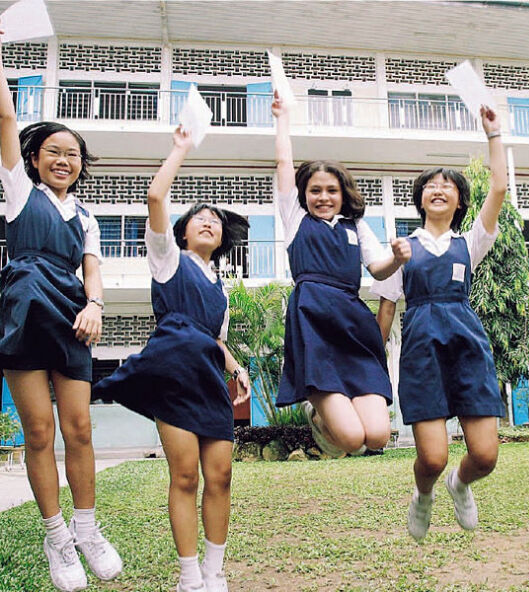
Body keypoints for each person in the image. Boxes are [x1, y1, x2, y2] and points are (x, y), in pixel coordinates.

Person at [92, 127, 250, 592]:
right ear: (182, 231)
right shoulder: (167, 258)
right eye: (199, 217)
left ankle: (213, 572)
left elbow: (217, 343)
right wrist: (181, 146)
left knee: (219, 476)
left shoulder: (220, 288)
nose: (208, 221)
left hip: (208, 381)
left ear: (222, 238)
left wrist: (237, 369)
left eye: (215, 220)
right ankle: (188, 577)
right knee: (184, 475)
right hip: (173, 377)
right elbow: (155, 196)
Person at [0, 37, 121, 592]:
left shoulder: (88, 216)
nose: (64, 159)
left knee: (79, 428)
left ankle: (87, 529)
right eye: (54, 150)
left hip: (73, 314)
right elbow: (5, 112)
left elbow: (92, 270)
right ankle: (56, 537)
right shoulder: (19, 195)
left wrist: (95, 304)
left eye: (73, 153)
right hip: (24, 310)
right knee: (40, 431)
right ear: (32, 158)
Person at [373, 105, 507, 541]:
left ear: (460, 201)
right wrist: (373, 370)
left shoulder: (470, 243)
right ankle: (424, 493)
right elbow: (388, 310)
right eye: (430, 185)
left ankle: (460, 484)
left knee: (485, 456)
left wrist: (493, 135)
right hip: (421, 349)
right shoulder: (402, 247)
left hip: (468, 346)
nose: (438, 188)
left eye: (447, 185)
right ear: (421, 198)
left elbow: (500, 188)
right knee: (431, 458)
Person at [271, 91, 409, 458]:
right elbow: (284, 163)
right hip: (312, 318)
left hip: (351, 321)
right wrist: (282, 117)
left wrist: (396, 258)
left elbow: (378, 267)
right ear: (304, 194)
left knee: (377, 436)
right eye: (315, 190)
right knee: (350, 439)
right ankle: (318, 413)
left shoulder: (355, 225)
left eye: (331, 190)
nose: (323, 197)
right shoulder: (295, 218)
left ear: (342, 193)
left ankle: (344, 408)